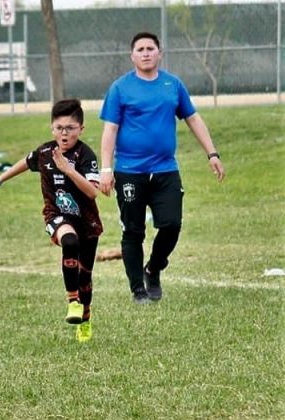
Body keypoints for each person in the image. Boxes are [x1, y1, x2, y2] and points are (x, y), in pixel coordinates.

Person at [99, 31, 226, 303]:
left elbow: (193, 119)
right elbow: (110, 130)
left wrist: (212, 153)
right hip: (130, 171)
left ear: (160, 53)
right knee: (133, 231)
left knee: (172, 225)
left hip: (166, 169)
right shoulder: (120, 88)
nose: (146, 53)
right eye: (140, 49)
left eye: (150, 48)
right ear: (132, 56)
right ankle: (138, 290)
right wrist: (106, 170)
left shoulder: (173, 85)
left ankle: (153, 268)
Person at [0, 98, 102, 343]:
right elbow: (24, 163)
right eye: (59, 128)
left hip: (86, 222)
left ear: (81, 129)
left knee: (85, 277)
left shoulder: (86, 155)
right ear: (52, 128)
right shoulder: (45, 152)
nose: (64, 133)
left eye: (70, 128)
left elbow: (92, 192)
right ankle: (72, 301)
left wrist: (68, 169)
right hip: (56, 216)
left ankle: (85, 316)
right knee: (69, 242)